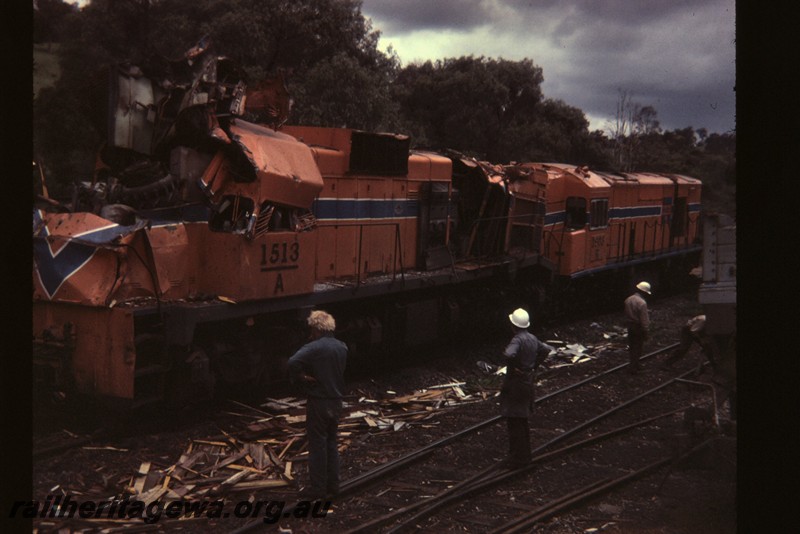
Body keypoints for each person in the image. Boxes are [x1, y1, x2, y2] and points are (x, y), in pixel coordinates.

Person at [287, 310, 348, 500]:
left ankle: (318, 489)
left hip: (319, 402)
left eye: (311, 330)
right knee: (332, 442)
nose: (309, 334)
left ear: (316, 328)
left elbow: (292, 362)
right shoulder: (342, 347)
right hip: (336, 401)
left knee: (317, 445)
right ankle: (334, 486)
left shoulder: (314, 347)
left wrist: (302, 376)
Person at [499, 308, 553, 468]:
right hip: (528, 381)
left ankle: (516, 457)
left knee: (514, 420)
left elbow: (509, 355)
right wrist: (534, 365)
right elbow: (546, 350)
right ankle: (524, 455)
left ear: (513, 325)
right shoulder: (532, 338)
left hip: (516, 383)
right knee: (522, 420)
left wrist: (515, 367)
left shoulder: (517, 340)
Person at [623, 281, 651, 374]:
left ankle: (635, 364)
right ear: (643, 292)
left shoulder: (628, 299)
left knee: (632, 347)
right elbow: (644, 320)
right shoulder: (642, 303)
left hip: (630, 326)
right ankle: (633, 368)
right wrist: (646, 331)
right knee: (638, 347)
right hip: (638, 327)